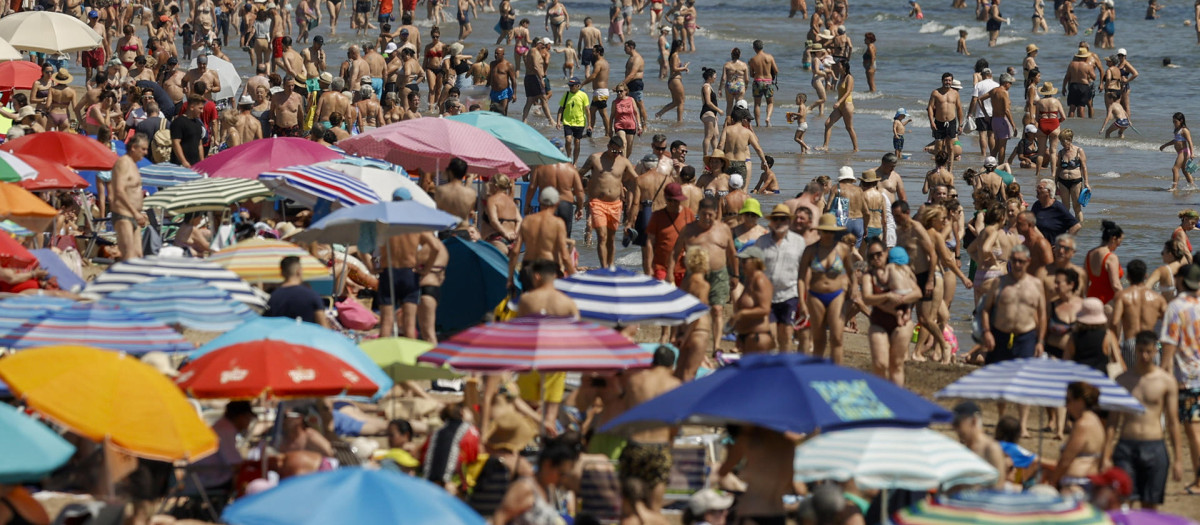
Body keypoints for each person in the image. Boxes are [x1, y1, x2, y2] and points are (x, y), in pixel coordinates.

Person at [1108, 330, 1185, 510]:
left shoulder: (1166, 381)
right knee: (1123, 503)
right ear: (1135, 350)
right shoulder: (1122, 380)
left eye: (1149, 351)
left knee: (1149, 507)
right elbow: (1112, 420)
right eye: (1141, 351)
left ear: (1155, 351)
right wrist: (1105, 454)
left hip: (1154, 445)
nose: (1144, 356)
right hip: (1126, 446)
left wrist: (1179, 460)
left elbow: (1173, 422)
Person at [668, 197, 737, 350]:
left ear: (716, 213)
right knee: (690, 308)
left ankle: (716, 346)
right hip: (694, 275)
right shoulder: (689, 229)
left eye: (711, 215)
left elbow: (732, 254)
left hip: (718, 274)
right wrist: (670, 273)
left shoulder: (723, 229)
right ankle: (684, 339)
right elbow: (675, 252)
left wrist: (735, 275)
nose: (707, 218)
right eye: (704, 214)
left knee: (717, 309)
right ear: (699, 212)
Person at [380, 189, 448, 338]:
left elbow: (365, 247)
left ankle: (380, 359)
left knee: (386, 322)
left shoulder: (385, 225)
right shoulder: (415, 226)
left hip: (388, 271)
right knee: (409, 323)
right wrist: (426, 269)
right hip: (409, 274)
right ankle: (411, 360)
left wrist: (372, 266)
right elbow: (436, 247)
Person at [1159, 263, 1200, 495]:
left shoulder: (1176, 307)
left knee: (1194, 431)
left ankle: (1199, 480)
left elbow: (1169, 345)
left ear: (1182, 281)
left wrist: (1163, 375)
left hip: (1188, 377)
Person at [863, 242, 921, 385]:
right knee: (880, 363)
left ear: (886, 253)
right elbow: (867, 298)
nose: (876, 258)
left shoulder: (900, 270)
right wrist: (887, 297)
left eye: (879, 254)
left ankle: (896, 397)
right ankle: (882, 395)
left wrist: (900, 299)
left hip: (902, 324)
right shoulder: (869, 275)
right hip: (879, 322)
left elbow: (918, 292)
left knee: (897, 364)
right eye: (872, 256)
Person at [799, 213, 853, 364]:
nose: (828, 235)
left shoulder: (842, 249)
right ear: (819, 231)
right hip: (815, 295)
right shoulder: (810, 250)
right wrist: (802, 303)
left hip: (836, 295)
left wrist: (853, 289)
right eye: (825, 231)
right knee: (819, 337)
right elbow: (801, 278)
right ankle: (817, 370)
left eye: (831, 231)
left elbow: (851, 272)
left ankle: (837, 371)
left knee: (837, 337)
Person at [494, 435, 579, 524]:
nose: (563, 479)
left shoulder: (548, 490)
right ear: (548, 464)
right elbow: (500, 518)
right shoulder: (525, 488)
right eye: (561, 473)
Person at [754, 204, 805, 352]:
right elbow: (755, 271)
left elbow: (803, 273)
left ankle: (784, 366)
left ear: (789, 221)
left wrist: (803, 300)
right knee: (770, 335)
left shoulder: (799, 242)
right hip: (766, 296)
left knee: (787, 335)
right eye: (776, 219)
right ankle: (772, 365)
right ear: (771, 221)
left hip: (790, 294)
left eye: (783, 219)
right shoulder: (761, 241)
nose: (779, 222)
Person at [581, 137, 636, 268]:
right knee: (602, 236)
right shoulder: (595, 158)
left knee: (610, 239)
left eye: (618, 151)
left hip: (615, 205)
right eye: (613, 150)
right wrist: (580, 193)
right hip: (597, 203)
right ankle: (603, 267)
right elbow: (580, 174)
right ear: (607, 146)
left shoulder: (624, 162)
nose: (615, 153)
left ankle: (610, 266)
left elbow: (637, 179)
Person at [509, 187, 576, 287]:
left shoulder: (527, 220)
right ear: (557, 203)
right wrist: (575, 278)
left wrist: (510, 278)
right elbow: (565, 256)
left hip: (528, 268)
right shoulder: (557, 223)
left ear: (540, 201)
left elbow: (515, 251)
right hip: (547, 269)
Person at [1051, 382, 1107, 493]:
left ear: (1080, 401)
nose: (1065, 405)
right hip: (1088, 481)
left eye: (1068, 400)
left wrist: (1052, 481)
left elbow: (1066, 460)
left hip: (1076, 483)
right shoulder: (1096, 421)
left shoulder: (1083, 424)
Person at [1111, 260, 1167, 368]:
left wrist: (1115, 345)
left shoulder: (1122, 296)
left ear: (1128, 277)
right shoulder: (1157, 298)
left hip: (1131, 344)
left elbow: (1114, 322)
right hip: (1151, 343)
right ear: (1146, 276)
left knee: (1131, 381)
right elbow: (1169, 322)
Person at [951, 401, 1007, 488]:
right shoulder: (964, 449)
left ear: (974, 421)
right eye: (953, 424)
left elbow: (998, 486)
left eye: (957, 424)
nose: (955, 429)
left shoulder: (991, 448)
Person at [647, 183, 695, 285]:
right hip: (661, 267)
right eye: (670, 200)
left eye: (676, 201)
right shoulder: (657, 216)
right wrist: (648, 266)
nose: (673, 204)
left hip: (683, 268)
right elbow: (650, 243)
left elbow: (694, 238)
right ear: (665, 198)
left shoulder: (688, 214)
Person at [111, 134, 148, 262]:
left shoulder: (133, 164)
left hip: (134, 215)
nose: (145, 152)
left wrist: (139, 213)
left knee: (138, 255)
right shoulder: (123, 163)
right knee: (128, 256)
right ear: (133, 147)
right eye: (143, 149)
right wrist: (134, 212)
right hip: (124, 214)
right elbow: (119, 191)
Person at [265, 256, 330, 327]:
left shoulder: (273, 297)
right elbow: (323, 327)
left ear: (282, 273)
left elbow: (268, 325)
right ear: (299, 271)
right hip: (306, 336)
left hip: (281, 337)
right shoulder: (311, 295)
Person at [732, 246, 773, 353]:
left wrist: (741, 313)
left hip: (758, 337)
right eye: (741, 261)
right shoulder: (749, 279)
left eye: (745, 261)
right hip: (747, 336)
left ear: (756, 262)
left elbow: (765, 309)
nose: (742, 264)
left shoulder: (760, 280)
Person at [1065, 297, 1121, 375]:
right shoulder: (1108, 336)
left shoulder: (1074, 336)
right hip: (1100, 380)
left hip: (1079, 380)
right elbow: (1119, 362)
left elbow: (1066, 360)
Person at [1086, 220, 1124, 304]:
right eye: (1120, 241)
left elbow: (1085, 281)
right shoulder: (1111, 257)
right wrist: (1127, 300)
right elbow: (1116, 285)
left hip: (1091, 298)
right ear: (1113, 239)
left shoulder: (1090, 253)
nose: (1119, 245)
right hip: (1107, 300)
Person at [1055, 129, 1089, 222]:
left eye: (1063, 141)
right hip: (1063, 181)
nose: (1062, 143)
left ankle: (1079, 227)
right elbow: (1059, 168)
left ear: (1069, 140)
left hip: (1076, 181)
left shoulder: (1079, 151)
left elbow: (1084, 167)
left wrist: (1086, 182)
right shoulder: (1061, 153)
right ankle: (1066, 226)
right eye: (1061, 141)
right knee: (1065, 207)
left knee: (1076, 207)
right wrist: (1055, 182)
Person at [926, 72, 964, 157]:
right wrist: (932, 122)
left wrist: (960, 124)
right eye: (946, 80)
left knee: (950, 146)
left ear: (952, 81)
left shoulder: (955, 93)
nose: (948, 82)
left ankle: (949, 168)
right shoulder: (935, 93)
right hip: (939, 122)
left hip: (951, 122)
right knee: (938, 146)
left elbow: (959, 109)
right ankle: (938, 167)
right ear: (942, 81)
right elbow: (930, 108)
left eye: (949, 80)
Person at [557, 76, 590, 164]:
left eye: (572, 85)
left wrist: (589, 125)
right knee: (568, 140)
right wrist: (558, 122)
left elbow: (587, 111)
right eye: (570, 85)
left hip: (580, 122)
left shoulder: (583, 95)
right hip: (567, 121)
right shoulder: (566, 94)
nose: (571, 87)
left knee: (577, 141)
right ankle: (568, 159)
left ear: (578, 86)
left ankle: (575, 162)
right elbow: (560, 109)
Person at [1160, 112, 1195, 191]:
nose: (1174, 123)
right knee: (1184, 170)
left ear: (1181, 120)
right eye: (1173, 121)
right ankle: (1192, 186)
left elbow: (1190, 142)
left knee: (1175, 169)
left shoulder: (1184, 130)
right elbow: (1175, 141)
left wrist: (1192, 153)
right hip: (1180, 152)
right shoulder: (1177, 130)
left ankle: (1174, 187)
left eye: (1175, 121)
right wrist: (1165, 145)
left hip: (1184, 151)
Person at [746, 39, 778, 127]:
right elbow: (776, 70)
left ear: (754, 48)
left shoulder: (752, 60)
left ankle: (758, 124)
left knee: (757, 104)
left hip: (757, 82)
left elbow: (752, 74)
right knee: (770, 103)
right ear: (762, 47)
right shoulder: (770, 57)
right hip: (768, 81)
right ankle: (768, 118)